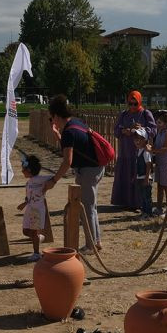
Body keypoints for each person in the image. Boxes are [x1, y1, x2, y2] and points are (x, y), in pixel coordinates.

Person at [43, 95, 104, 253]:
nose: (52, 121)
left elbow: (67, 161)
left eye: (52, 118)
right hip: (95, 168)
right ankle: (96, 241)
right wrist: (57, 134)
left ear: (56, 115)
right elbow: (70, 145)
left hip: (88, 171)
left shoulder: (69, 131)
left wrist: (54, 181)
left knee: (86, 208)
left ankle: (91, 245)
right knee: (91, 207)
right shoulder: (75, 123)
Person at [112, 90, 157, 211]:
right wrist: (124, 130)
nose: (132, 106)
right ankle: (125, 201)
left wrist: (141, 129)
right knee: (126, 175)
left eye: (135, 104)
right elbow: (116, 130)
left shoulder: (145, 114)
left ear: (139, 102)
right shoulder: (123, 114)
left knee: (139, 175)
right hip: (125, 151)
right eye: (130, 103)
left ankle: (139, 202)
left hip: (139, 152)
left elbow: (153, 130)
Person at [17, 154, 51, 260]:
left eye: (24, 169)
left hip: (37, 210)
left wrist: (49, 185)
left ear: (30, 170)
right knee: (25, 231)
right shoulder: (28, 183)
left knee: (33, 231)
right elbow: (29, 197)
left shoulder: (40, 179)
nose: (22, 171)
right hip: (29, 209)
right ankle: (39, 238)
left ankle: (36, 254)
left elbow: (54, 177)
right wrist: (24, 204)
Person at [151, 110, 167, 215]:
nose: (157, 124)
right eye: (157, 122)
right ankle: (159, 208)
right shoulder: (159, 131)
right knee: (160, 186)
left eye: (160, 122)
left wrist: (152, 150)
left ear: (166, 123)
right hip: (159, 162)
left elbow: (165, 148)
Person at [131, 127, 154, 218]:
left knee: (147, 197)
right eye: (136, 139)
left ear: (145, 140)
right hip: (140, 177)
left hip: (145, 178)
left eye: (140, 139)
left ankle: (148, 213)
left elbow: (148, 165)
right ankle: (144, 212)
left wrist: (147, 178)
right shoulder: (139, 151)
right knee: (143, 197)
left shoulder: (146, 152)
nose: (137, 141)